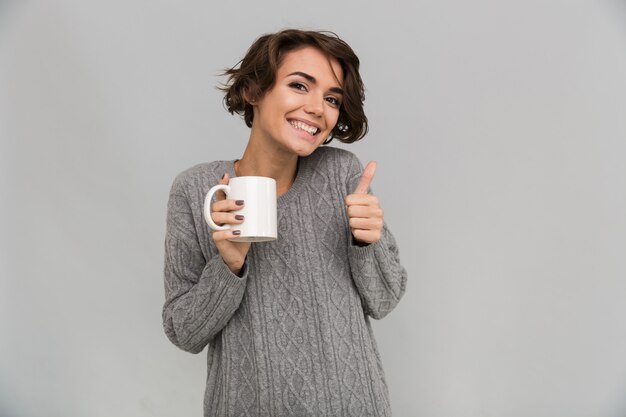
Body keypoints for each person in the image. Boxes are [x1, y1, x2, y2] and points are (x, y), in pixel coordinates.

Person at [162, 29, 407, 417]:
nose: (317, 108)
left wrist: (368, 243)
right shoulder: (196, 190)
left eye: (331, 99)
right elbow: (184, 332)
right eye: (299, 86)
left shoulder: (342, 174)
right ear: (253, 91)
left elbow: (385, 298)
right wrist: (229, 264)